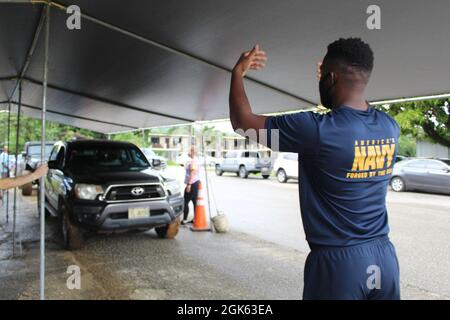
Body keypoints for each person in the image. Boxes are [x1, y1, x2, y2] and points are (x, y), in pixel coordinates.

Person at [229, 38, 400, 300]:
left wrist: (237, 73)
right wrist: (331, 81)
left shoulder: (315, 130)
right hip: (384, 259)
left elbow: (243, 123)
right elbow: (349, 115)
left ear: (330, 78)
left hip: (339, 266)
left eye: (323, 78)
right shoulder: (390, 127)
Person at [182, 146, 200, 225]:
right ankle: (195, 219)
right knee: (194, 202)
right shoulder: (194, 160)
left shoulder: (193, 161)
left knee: (185, 202)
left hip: (192, 183)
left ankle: (185, 219)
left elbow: (192, 173)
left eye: (188, 150)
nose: (187, 152)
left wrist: (189, 185)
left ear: (192, 151)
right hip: (195, 183)